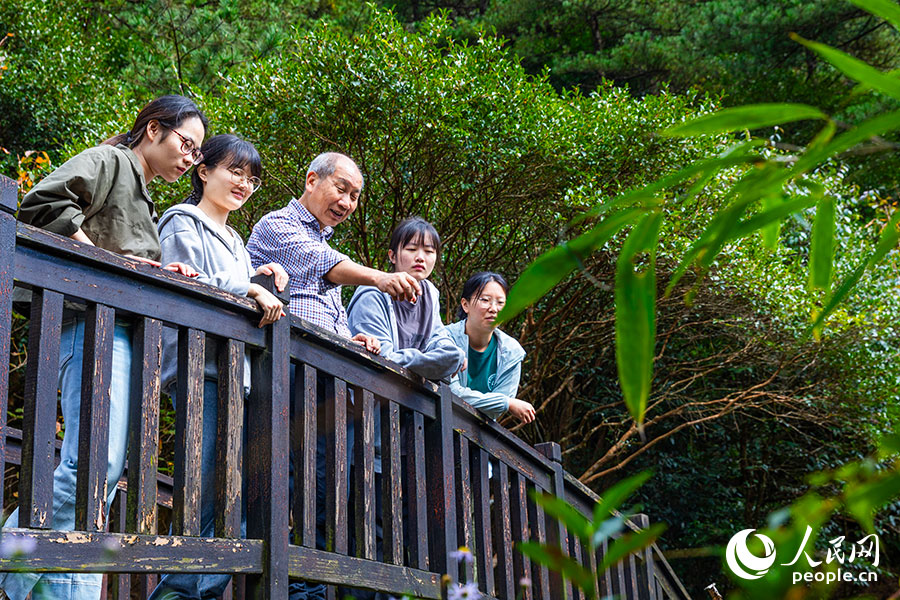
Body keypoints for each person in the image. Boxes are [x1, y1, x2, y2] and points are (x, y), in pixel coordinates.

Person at [0, 95, 208, 600]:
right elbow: (44, 202)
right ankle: (10, 563)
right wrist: (102, 264)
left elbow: (121, 250)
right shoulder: (110, 160)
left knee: (103, 475)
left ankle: (58, 590)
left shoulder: (144, 195)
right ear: (153, 130)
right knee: (93, 464)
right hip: (86, 327)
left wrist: (154, 270)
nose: (190, 158)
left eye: (198, 153)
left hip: (115, 332)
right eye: (187, 143)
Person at [246, 152, 421, 600]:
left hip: (327, 380)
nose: (347, 201)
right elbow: (319, 261)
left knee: (325, 486)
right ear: (311, 179)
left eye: (355, 196)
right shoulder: (277, 224)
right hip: (285, 372)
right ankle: (287, 588)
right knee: (283, 482)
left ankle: (312, 588)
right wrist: (381, 278)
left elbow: (324, 299)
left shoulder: (323, 245)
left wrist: (352, 340)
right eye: (341, 188)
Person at [148, 134, 287, 600]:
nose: (244, 184)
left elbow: (239, 285)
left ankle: (201, 593)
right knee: (205, 491)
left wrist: (260, 277)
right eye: (234, 171)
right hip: (197, 370)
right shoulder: (180, 221)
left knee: (237, 498)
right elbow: (188, 281)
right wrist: (250, 287)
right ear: (203, 171)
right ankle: (176, 593)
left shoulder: (236, 241)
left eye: (252, 178)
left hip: (237, 378)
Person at [346, 216, 464, 380]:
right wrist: (443, 362)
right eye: (411, 249)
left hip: (410, 397)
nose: (421, 258)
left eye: (429, 251)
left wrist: (451, 356)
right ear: (392, 256)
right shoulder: (372, 293)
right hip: (368, 390)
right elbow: (380, 357)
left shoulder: (429, 294)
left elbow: (439, 339)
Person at [447, 272, 536, 424]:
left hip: (479, 436)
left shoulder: (511, 353)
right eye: (485, 300)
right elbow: (451, 392)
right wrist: (507, 403)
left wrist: (502, 403)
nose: (494, 309)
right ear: (465, 304)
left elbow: (494, 411)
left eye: (501, 303)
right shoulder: (446, 338)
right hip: (442, 423)